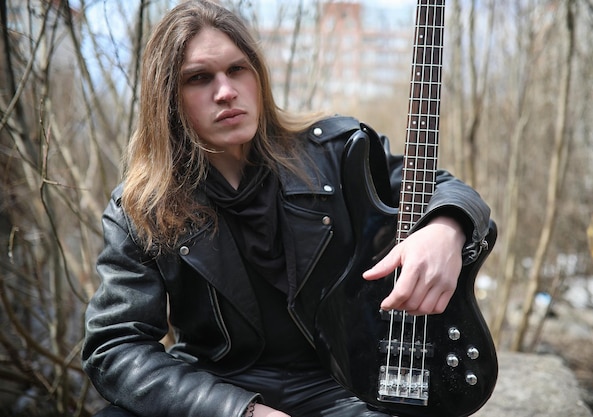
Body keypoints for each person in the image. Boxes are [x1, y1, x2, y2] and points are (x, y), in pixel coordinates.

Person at [81, 1, 492, 416]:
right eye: (199, 78)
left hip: (342, 385)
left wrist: (445, 229)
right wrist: (239, 411)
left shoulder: (338, 152)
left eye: (237, 69)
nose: (225, 91)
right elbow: (116, 348)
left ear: (258, 76)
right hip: (218, 389)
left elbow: (443, 188)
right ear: (167, 97)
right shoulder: (141, 207)